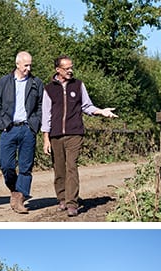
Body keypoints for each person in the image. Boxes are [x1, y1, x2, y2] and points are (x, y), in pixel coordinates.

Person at [41, 55, 117, 217]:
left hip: (75, 133)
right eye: (67, 68)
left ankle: (72, 203)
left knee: (71, 167)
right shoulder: (49, 89)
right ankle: (62, 198)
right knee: (59, 169)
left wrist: (102, 111)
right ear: (58, 70)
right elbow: (46, 115)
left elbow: (87, 106)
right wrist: (46, 138)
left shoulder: (78, 85)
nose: (70, 70)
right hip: (55, 135)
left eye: (71, 67)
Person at [0, 51, 43, 214]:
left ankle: (20, 197)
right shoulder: (4, 82)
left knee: (26, 166)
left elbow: (41, 105)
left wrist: (35, 123)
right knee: (6, 165)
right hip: (9, 128)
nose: (28, 68)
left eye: (30, 65)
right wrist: (1, 124)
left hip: (28, 129)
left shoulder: (36, 83)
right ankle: (14, 189)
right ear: (17, 64)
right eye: (26, 65)